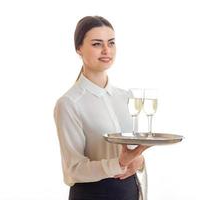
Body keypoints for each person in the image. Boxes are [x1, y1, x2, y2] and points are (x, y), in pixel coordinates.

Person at [54, 15, 149, 200]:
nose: (107, 50)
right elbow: (73, 170)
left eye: (111, 43)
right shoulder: (69, 103)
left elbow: (133, 151)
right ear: (79, 48)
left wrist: (140, 160)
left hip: (131, 192)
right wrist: (119, 163)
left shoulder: (126, 97)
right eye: (97, 44)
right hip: (94, 194)